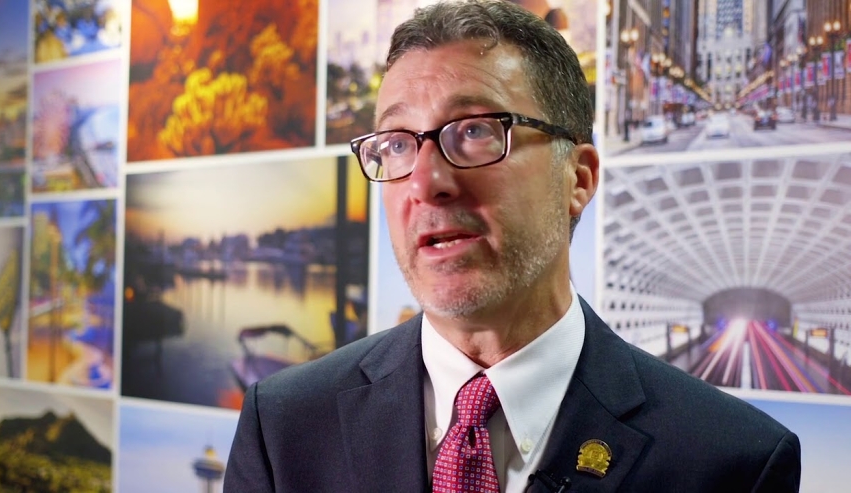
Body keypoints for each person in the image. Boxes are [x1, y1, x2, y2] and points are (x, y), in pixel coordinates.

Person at [224, 1, 801, 491]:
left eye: (475, 130)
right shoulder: (286, 426)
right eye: (397, 144)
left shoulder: (731, 462)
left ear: (577, 178)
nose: (425, 182)